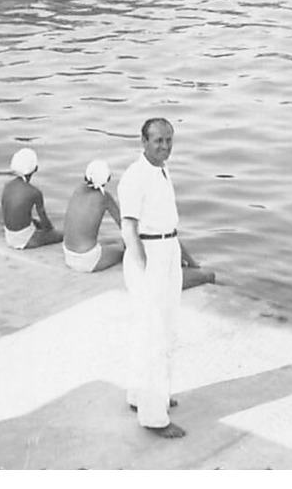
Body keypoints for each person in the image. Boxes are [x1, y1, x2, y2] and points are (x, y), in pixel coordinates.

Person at [119, 117, 210, 439]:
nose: (165, 146)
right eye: (158, 141)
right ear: (143, 141)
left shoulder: (161, 169)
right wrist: (144, 269)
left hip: (167, 249)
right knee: (155, 334)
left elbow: (165, 221)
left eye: (169, 140)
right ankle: (154, 417)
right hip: (149, 257)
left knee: (160, 329)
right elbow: (128, 228)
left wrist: (181, 254)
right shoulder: (135, 177)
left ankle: (140, 395)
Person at [62, 160, 125, 273]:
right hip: (88, 261)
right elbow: (123, 225)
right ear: (108, 179)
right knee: (121, 251)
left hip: (68, 255)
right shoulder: (104, 197)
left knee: (109, 242)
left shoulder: (78, 189)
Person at [0, 148, 62, 250]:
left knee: (35, 222)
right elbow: (45, 221)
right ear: (36, 168)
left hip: (9, 237)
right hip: (25, 240)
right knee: (62, 235)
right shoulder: (34, 192)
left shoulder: (7, 186)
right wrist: (51, 232)